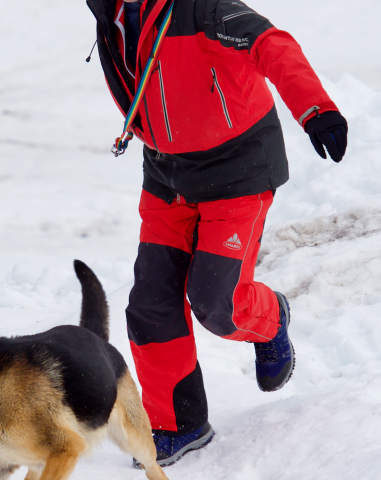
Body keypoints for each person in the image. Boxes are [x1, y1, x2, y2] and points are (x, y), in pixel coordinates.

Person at [86, 0, 348, 467]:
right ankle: (178, 424)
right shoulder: (112, 13)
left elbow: (272, 44)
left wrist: (316, 110)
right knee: (150, 304)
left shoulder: (204, 9)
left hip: (238, 170)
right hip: (167, 175)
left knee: (217, 302)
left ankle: (271, 316)